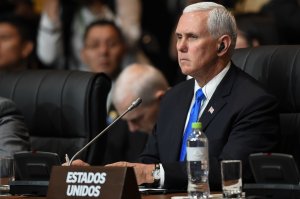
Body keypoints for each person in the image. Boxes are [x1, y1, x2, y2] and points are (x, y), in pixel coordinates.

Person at [71, 2, 280, 191]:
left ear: (222, 45)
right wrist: (99, 176)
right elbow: (149, 160)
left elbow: (231, 170)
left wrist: (150, 173)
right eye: (179, 37)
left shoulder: (254, 102)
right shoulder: (174, 97)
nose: (180, 46)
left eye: (192, 37)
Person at [103, 63, 169, 163]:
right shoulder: (123, 126)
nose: (132, 128)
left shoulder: (188, 121)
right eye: (127, 121)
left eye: (137, 119)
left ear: (161, 99)